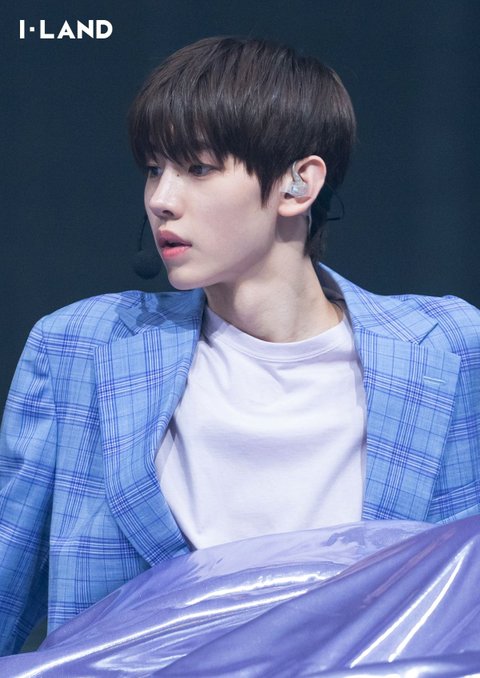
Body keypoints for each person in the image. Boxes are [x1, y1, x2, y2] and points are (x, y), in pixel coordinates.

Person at [0, 36, 478, 656]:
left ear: (297, 185)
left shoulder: (451, 351)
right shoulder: (79, 350)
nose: (161, 200)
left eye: (198, 168)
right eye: (154, 168)